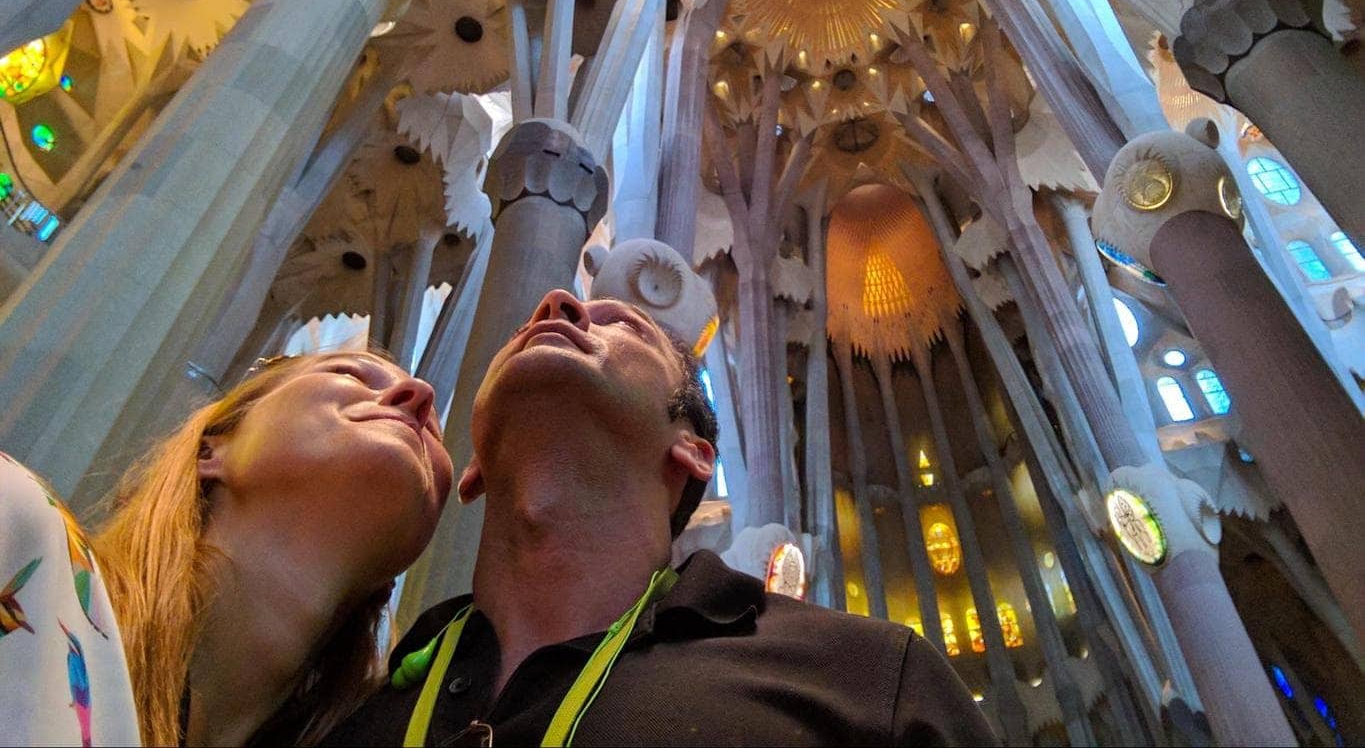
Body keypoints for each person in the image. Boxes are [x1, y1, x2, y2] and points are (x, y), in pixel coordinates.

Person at [326, 290, 996, 746]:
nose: (555, 305)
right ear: (471, 469)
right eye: (520, 335)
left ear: (693, 453)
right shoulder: (347, 714)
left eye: (623, 324)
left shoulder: (860, 681)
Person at [1, 350, 453, 748]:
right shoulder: (17, 530)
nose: (419, 394)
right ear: (211, 451)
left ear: (387, 582)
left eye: (435, 433)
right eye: (351, 374)